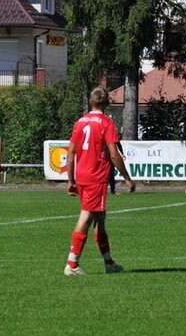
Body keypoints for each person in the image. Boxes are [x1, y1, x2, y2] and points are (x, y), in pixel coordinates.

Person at [64, 87, 136, 276]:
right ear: (107, 104)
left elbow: (70, 153)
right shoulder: (107, 123)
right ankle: (72, 264)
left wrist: (70, 180)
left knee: (100, 219)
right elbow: (114, 154)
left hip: (82, 175)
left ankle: (109, 263)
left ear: (90, 102)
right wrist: (127, 178)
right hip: (96, 176)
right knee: (86, 217)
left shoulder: (80, 122)